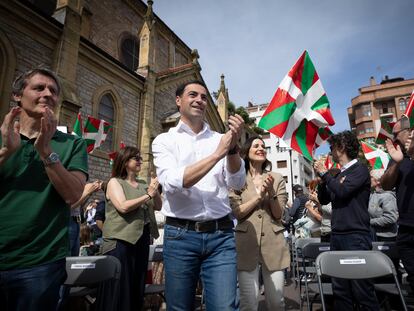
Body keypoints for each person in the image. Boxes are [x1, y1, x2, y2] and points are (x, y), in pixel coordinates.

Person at [152, 80, 245, 310]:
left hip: (221, 235)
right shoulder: (164, 140)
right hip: (181, 236)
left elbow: (238, 181)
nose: (200, 100)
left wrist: (232, 148)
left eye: (204, 97)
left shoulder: (218, 139)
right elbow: (173, 182)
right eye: (193, 94)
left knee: (225, 307)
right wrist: (218, 154)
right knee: (180, 307)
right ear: (178, 101)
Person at [0, 68, 88, 310]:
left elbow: (73, 194)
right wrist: (7, 152)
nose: (48, 94)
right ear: (18, 95)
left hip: (40, 263)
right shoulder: (3, 136)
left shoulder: (73, 144)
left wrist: (46, 151)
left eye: (53, 91)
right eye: (39, 88)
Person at [314, 130, 380, 310]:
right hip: (337, 236)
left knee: (362, 289)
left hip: (356, 236)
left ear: (341, 147)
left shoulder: (359, 170)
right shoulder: (336, 174)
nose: (330, 152)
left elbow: (343, 191)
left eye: (332, 147)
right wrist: (322, 179)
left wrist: (326, 174)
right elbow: (324, 199)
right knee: (340, 290)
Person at [230, 136, 289, 311]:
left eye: (263, 146)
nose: (261, 148)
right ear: (247, 152)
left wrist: (270, 193)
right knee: (248, 302)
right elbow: (238, 212)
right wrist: (258, 197)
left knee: (276, 302)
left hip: (274, 244)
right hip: (246, 244)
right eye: (256, 145)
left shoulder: (276, 178)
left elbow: (278, 214)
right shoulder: (237, 179)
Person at [101, 146, 161, 311]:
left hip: (141, 239)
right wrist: (148, 194)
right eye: (136, 158)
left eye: (140, 158)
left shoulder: (142, 183)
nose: (140, 161)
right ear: (125, 161)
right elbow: (123, 207)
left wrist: (155, 191)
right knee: (120, 288)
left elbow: (158, 206)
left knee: (136, 286)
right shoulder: (114, 182)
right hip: (120, 241)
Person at [381, 117, 414, 292]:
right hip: (406, 228)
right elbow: (386, 184)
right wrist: (396, 163)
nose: (393, 139)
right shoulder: (397, 155)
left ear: (409, 131)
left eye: (396, 134)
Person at [368, 169, 398, 242]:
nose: (368, 179)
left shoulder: (388, 196)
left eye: (371, 177)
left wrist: (369, 221)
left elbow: (391, 218)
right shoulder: (373, 194)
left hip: (385, 238)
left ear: (378, 181)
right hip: (373, 234)